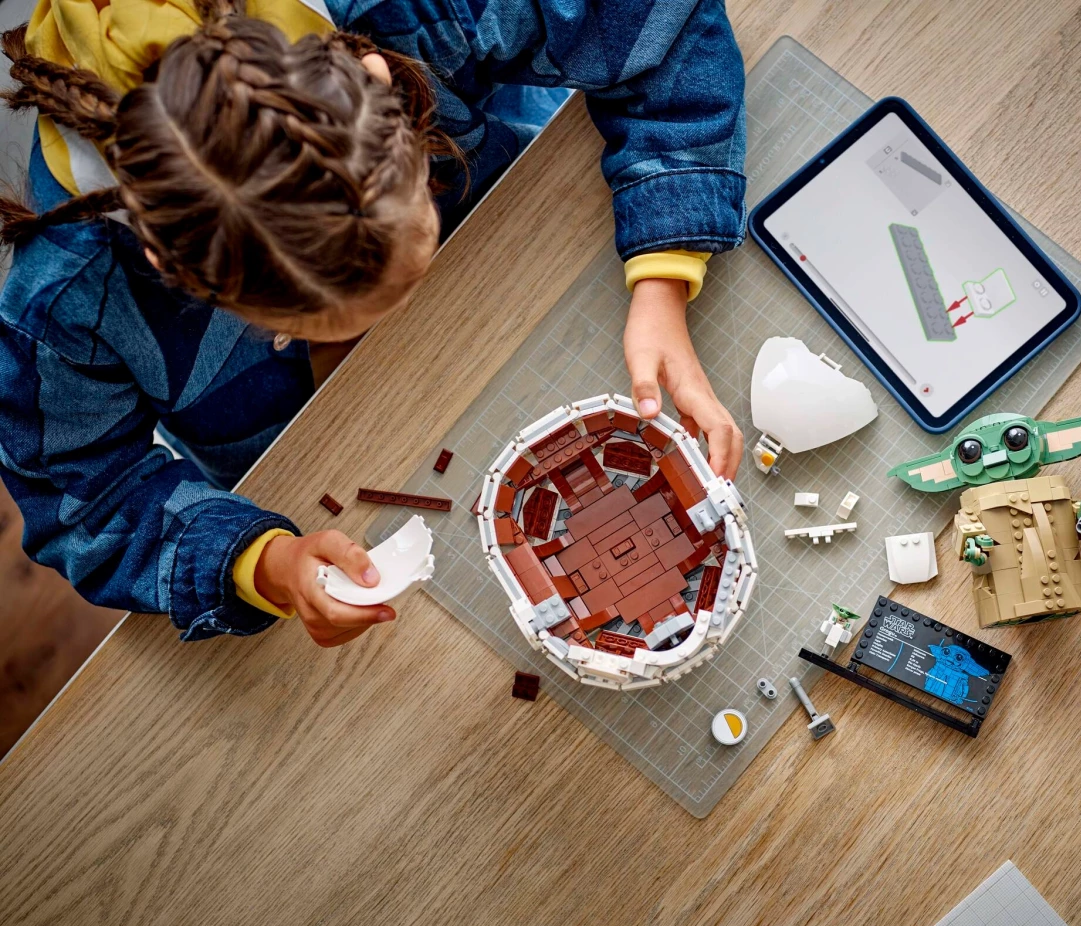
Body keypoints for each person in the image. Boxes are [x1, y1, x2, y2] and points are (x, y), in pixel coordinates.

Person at [0, 0, 746, 648]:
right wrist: (260, 564)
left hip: (518, 256)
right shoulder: (68, 297)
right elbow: (84, 498)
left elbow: (659, 22)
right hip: (319, 450)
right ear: (169, 265)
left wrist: (661, 275)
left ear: (380, 80)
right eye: (297, 324)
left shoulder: (414, 9)